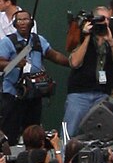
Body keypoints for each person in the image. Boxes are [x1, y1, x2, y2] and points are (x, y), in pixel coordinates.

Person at [0, 10, 68, 145]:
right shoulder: (7, 42)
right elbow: (1, 64)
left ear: (31, 22)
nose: (23, 22)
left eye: (26, 19)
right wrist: (14, 63)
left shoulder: (38, 40)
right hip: (13, 94)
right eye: (19, 20)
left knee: (32, 132)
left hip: (33, 94)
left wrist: (71, 63)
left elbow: (53, 55)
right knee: (9, 132)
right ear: (14, 24)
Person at [63, 5, 113, 138]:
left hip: (102, 93)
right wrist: (86, 37)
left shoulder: (111, 38)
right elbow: (74, 62)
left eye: (108, 19)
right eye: (102, 19)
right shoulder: (81, 35)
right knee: (71, 130)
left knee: (98, 132)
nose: (106, 22)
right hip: (79, 93)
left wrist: (110, 40)